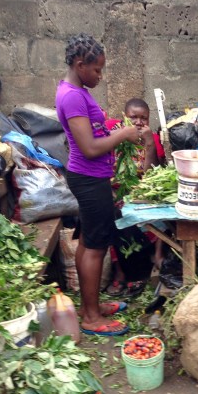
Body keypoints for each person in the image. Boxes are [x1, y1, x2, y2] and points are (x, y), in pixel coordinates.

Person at [56, 33, 152, 336]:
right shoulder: (72, 95)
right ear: (80, 64)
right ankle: (92, 318)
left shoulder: (77, 91)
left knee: (88, 244)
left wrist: (112, 129)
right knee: (96, 247)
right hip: (89, 177)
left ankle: (89, 306)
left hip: (90, 177)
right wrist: (123, 135)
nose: (100, 76)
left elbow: (94, 132)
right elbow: (89, 147)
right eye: (97, 70)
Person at [105, 98, 165, 297]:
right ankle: (121, 272)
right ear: (124, 117)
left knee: (150, 211)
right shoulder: (115, 135)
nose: (139, 122)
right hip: (116, 192)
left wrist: (148, 143)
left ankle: (153, 260)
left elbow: (150, 174)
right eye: (134, 118)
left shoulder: (153, 139)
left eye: (144, 118)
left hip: (142, 192)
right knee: (114, 215)